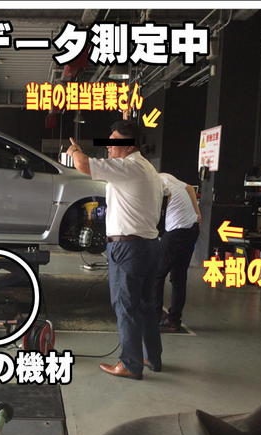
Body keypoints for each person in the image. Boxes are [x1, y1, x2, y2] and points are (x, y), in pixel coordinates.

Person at [66, 120, 163, 380]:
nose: (108, 146)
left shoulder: (127, 167)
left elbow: (83, 165)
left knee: (126, 306)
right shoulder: (148, 168)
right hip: (149, 246)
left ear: (129, 145)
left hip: (128, 247)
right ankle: (151, 357)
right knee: (145, 306)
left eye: (114, 142)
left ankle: (130, 364)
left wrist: (74, 150)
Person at [155, 173, 201, 332]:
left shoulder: (153, 180)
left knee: (156, 274)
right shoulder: (167, 177)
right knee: (179, 276)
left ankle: (154, 318)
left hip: (176, 231)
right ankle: (174, 321)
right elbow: (190, 188)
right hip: (192, 229)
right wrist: (197, 213)